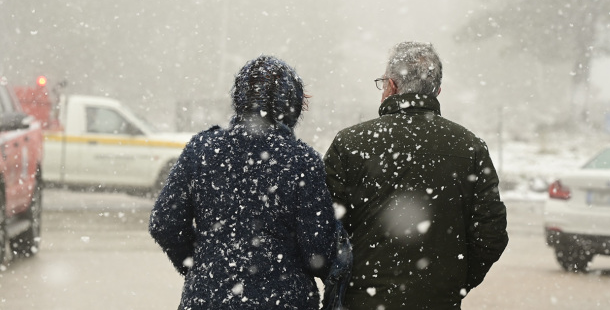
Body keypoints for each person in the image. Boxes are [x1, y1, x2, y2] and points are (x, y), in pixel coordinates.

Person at [323, 41, 509, 310]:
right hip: (438, 302)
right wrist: (454, 283)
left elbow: (322, 228)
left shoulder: (350, 143)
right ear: (437, 90)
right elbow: (491, 234)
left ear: (392, 86)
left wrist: (345, 280)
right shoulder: (469, 147)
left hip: (362, 300)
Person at [149, 55, 342, 309]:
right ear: (291, 106)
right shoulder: (302, 161)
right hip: (283, 301)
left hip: (208, 299)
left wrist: (201, 264)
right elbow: (318, 250)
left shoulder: (202, 150)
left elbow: (165, 223)